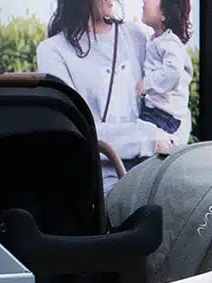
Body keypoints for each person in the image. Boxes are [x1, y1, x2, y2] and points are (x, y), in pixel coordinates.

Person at [37, 0, 166, 186]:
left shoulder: (134, 35)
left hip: (148, 171)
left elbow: (163, 101)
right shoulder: (52, 50)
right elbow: (74, 130)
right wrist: (147, 138)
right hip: (96, 181)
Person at [137, 0, 193, 145]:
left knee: (140, 147)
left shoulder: (170, 42)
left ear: (165, 14)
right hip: (156, 114)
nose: (144, 1)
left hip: (163, 117)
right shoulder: (157, 41)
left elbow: (173, 72)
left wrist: (147, 83)